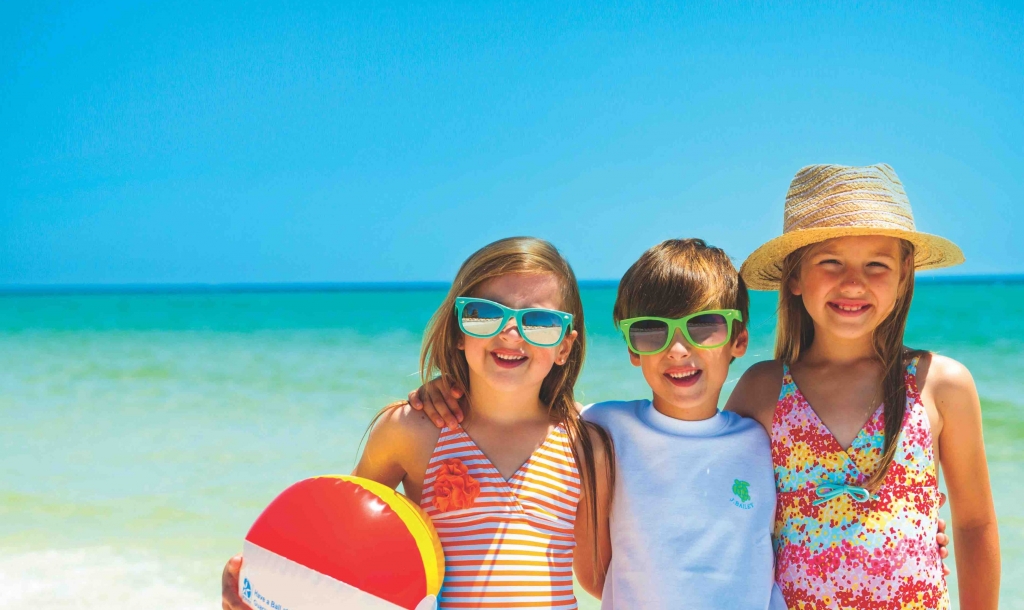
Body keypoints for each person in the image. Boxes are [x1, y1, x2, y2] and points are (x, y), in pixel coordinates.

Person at [221, 236, 613, 610]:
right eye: (485, 313)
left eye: (539, 321)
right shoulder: (413, 430)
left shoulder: (584, 444)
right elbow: (340, 547)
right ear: (459, 330)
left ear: (564, 346)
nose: (510, 332)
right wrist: (263, 591)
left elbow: (598, 578)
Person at [728, 163, 1000, 609]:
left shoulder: (939, 384)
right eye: (831, 262)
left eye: (877, 264)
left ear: (903, 274)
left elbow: (974, 525)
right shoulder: (763, 389)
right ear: (794, 275)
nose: (853, 283)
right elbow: (730, 512)